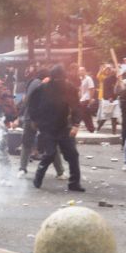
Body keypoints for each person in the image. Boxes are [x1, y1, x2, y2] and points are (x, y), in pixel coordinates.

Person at [28, 64, 84, 192]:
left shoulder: (69, 88)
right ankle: (37, 179)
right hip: (47, 127)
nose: (59, 81)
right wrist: (35, 120)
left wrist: (76, 124)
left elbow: (76, 107)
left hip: (63, 126)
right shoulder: (42, 89)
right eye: (57, 79)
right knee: (50, 154)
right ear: (52, 78)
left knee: (73, 154)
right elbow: (32, 105)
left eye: (61, 79)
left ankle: (74, 183)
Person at [95, 64, 120, 134]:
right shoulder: (106, 79)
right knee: (106, 116)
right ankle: (98, 128)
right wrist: (109, 97)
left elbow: (118, 88)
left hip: (115, 100)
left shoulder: (117, 79)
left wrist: (119, 81)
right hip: (108, 100)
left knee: (114, 116)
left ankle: (114, 131)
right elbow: (106, 90)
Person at [78, 66, 96, 133]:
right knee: (86, 114)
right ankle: (91, 128)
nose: (81, 72)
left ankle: (90, 128)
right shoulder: (79, 79)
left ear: (85, 71)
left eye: (82, 70)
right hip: (81, 98)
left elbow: (92, 89)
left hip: (87, 98)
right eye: (80, 70)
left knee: (83, 113)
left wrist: (91, 99)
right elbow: (80, 90)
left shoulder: (88, 78)